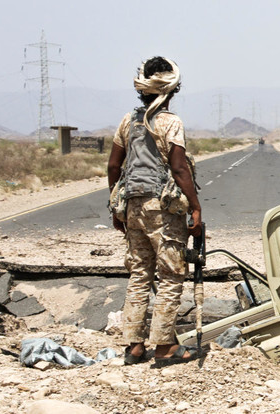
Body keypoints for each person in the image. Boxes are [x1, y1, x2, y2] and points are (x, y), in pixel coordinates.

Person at [107, 56, 202, 366]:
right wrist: (196, 208)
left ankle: (134, 346)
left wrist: (116, 208)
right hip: (161, 210)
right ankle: (164, 347)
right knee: (171, 275)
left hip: (132, 207)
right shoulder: (170, 122)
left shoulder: (127, 121)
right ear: (171, 91)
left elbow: (113, 166)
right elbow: (178, 168)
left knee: (138, 275)